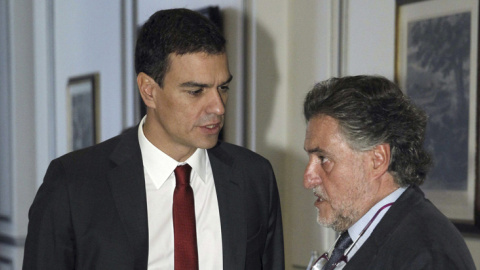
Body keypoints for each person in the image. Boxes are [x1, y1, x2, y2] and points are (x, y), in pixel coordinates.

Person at [23, 8, 284, 270]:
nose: (218, 107)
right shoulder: (73, 185)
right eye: (195, 91)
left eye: (223, 88)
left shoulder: (254, 178)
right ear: (149, 91)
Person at [302, 75, 475, 270]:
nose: (308, 179)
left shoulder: (426, 255)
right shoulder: (363, 235)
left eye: (323, 159)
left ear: (378, 160)